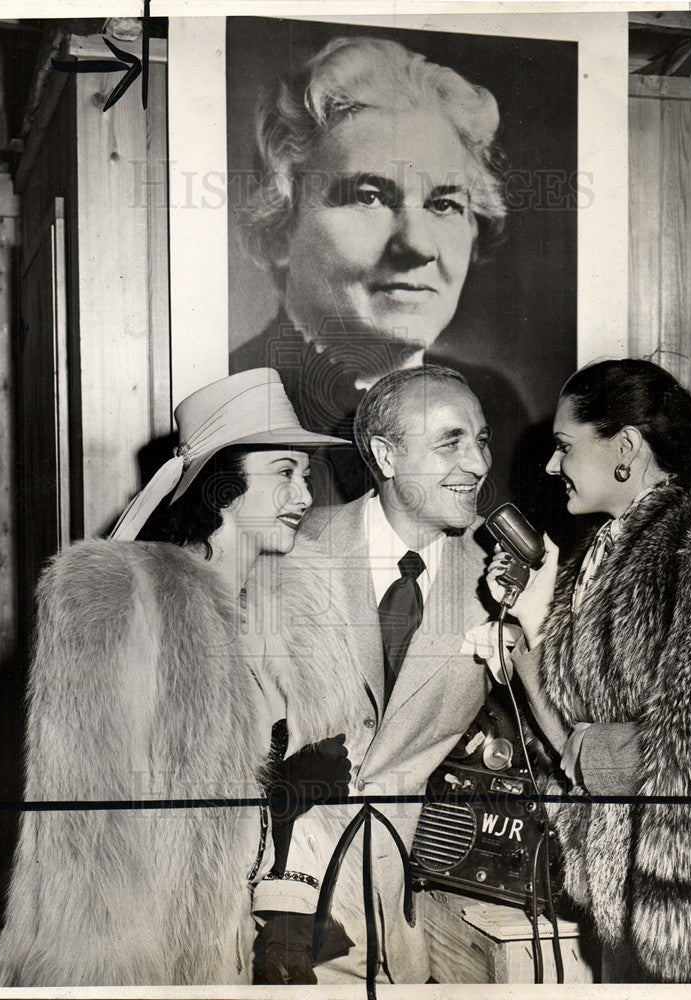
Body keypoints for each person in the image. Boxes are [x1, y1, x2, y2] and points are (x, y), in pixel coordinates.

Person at [0, 368, 358, 987]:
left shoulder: (282, 611)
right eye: (284, 474)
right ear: (221, 486)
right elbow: (91, 814)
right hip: (138, 939)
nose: (304, 496)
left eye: (305, 474)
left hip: (247, 932)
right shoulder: (128, 595)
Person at [485, 359, 691, 983]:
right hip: (618, 895)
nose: (551, 466)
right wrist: (518, 642)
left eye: (565, 447)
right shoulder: (599, 548)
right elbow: (574, 741)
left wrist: (597, 753)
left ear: (625, 446)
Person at [252, 364, 497, 985]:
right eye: (451, 442)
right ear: (385, 456)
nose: (477, 463)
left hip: (414, 915)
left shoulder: (500, 579)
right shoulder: (288, 550)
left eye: (482, 440)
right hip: (281, 902)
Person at [231, 35, 525, 507]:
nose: (417, 245)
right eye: (369, 196)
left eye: (445, 203)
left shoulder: (497, 405)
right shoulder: (234, 405)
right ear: (279, 229)